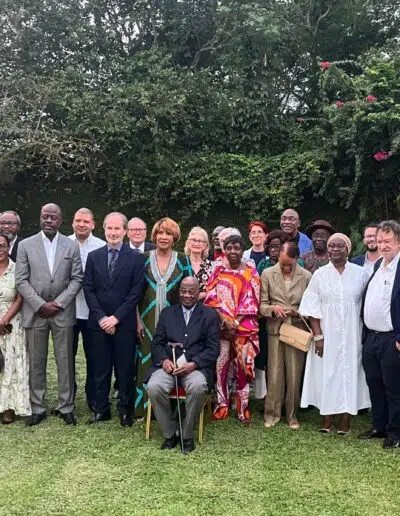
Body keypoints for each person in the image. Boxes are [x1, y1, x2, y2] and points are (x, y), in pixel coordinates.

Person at [15, 203, 83, 426]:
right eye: (45, 216)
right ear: (40, 218)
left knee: (65, 361)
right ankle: (37, 407)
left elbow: (77, 279)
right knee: (36, 361)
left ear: (61, 221)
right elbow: (21, 280)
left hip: (62, 312)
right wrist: (40, 305)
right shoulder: (25, 245)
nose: (48, 220)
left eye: (53, 217)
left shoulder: (71, 245)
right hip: (36, 313)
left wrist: (59, 303)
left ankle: (66, 406)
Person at [299, 233, 370, 434]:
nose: (335, 249)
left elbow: (367, 304)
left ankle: (346, 419)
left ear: (348, 249)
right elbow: (312, 308)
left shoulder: (361, 274)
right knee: (326, 373)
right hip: (326, 334)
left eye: (340, 246)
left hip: (352, 334)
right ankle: (326, 417)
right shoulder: (319, 275)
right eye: (332, 246)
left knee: (349, 372)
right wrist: (318, 337)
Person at [83, 212, 145, 426]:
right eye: (109, 228)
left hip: (124, 324)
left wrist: (116, 318)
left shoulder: (136, 258)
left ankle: (125, 410)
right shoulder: (94, 256)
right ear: (104, 229)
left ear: (125, 231)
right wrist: (102, 318)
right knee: (100, 368)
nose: (113, 232)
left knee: (125, 369)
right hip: (98, 324)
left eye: (117, 228)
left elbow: (136, 292)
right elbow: (88, 289)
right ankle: (101, 409)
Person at [147, 277, 219, 453]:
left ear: (198, 292)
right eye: (183, 291)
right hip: (169, 367)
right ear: (179, 292)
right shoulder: (167, 313)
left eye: (191, 292)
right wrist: (164, 360)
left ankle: (186, 434)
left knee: (198, 387)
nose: (187, 295)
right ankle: (170, 433)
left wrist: (194, 364)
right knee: (154, 386)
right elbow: (156, 344)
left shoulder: (209, 315)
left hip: (195, 368)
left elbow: (213, 349)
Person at [135, 217, 192, 418]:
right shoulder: (142, 259)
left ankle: (174, 410)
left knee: (173, 361)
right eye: (160, 233)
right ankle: (144, 410)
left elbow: (190, 293)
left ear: (175, 237)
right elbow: (134, 293)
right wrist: (137, 321)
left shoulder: (183, 260)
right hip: (146, 321)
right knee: (146, 361)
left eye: (168, 233)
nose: (164, 237)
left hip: (174, 324)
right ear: (154, 236)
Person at [204, 234, 260, 423]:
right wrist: (225, 321)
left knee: (242, 367)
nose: (233, 251)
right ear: (224, 250)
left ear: (242, 250)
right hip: (220, 326)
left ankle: (242, 408)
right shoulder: (218, 269)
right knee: (221, 365)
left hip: (243, 328)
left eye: (237, 248)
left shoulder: (251, 272)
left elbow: (252, 300)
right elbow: (211, 297)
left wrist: (234, 323)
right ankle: (222, 405)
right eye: (229, 248)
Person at [260, 241, 311, 429]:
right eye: (283, 264)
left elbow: (312, 305)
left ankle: (292, 415)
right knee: (274, 373)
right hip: (275, 329)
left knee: (294, 374)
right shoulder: (267, 274)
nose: (286, 267)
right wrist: (273, 309)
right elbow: (261, 306)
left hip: (297, 329)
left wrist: (299, 312)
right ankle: (272, 414)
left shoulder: (306, 276)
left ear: (297, 258)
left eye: (290, 264)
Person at [360, 220, 400, 449]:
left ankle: (395, 432)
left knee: (394, 388)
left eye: (388, 241)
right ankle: (379, 426)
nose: (383, 245)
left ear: (398, 242)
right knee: (374, 383)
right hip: (372, 337)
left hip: (392, 338)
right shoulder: (378, 266)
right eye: (380, 241)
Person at [69, 208, 105, 411]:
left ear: (93, 224)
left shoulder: (101, 246)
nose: (82, 224)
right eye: (78, 220)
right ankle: (68, 398)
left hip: (93, 312)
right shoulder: (64, 243)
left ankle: (93, 397)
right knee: (67, 357)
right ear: (72, 223)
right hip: (68, 311)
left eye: (86, 221)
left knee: (94, 357)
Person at [0, 233, 31, 424]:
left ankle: (9, 408)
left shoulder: (16, 268)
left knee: (11, 366)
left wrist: (4, 320)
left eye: (2, 245)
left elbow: (20, 297)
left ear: (8, 247)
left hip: (11, 323)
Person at [184, 226, 212, 301]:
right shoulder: (181, 262)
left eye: (200, 241)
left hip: (205, 306)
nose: (196, 244)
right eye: (193, 240)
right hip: (182, 305)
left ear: (205, 245)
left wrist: (202, 295)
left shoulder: (212, 266)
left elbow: (216, 289)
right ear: (188, 242)